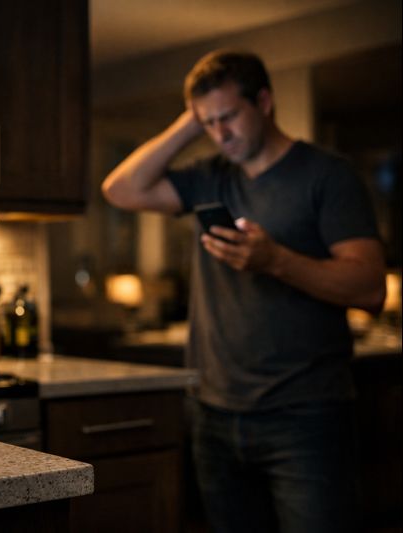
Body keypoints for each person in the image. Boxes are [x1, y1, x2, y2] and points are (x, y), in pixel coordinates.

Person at [101, 49, 386, 533]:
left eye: (229, 116)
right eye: (208, 122)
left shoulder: (326, 176)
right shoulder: (210, 176)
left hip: (306, 415)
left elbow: (370, 287)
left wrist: (276, 260)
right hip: (214, 414)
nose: (220, 133)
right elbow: (120, 189)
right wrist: (189, 124)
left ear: (265, 101)